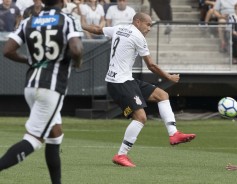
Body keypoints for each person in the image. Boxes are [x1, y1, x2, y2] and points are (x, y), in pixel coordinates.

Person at [81, 12, 196, 167]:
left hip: (126, 79)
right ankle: (121, 155)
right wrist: (169, 77)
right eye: (147, 24)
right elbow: (151, 65)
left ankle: (174, 134)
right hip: (119, 83)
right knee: (140, 117)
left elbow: (97, 29)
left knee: (162, 95)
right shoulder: (137, 37)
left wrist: (79, 24)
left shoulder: (120, 28)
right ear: (137, 22)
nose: (149, 28)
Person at [0, 0, 83, 183]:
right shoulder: (67, 19)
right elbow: (76, 49)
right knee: (33, 140)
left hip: (31, 85)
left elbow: (7, 50)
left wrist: (30, 60)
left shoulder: (29, 21)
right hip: (51, 88)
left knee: (55, 134)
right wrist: (77, 62)